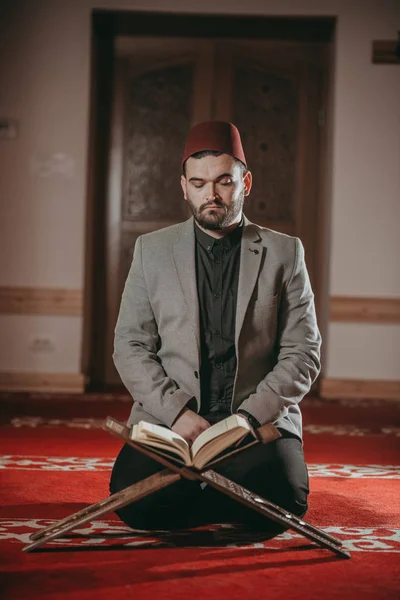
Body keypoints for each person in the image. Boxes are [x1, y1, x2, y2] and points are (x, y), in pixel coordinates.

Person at [109, 120, 321, 533]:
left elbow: (303, 352)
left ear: (246, 182)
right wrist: (176, 413)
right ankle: (218, 495)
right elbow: (130, 345)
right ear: (184, 186)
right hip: (172, 422)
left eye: (224, 181)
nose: (212, 194)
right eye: (200, 182)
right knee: (136, 503)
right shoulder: (151, 251)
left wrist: (247, 418)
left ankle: (202, 492)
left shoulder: (284, 252)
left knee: (284, 501)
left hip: (253, 423)